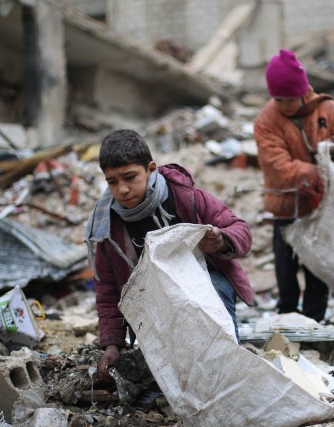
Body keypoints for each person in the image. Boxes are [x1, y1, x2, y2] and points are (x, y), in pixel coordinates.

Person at [85, 129, 255, 380]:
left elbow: (240, 229)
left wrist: (220, 240)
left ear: (151, 169)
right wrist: (112, 345)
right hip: (154, 300)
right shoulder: (108, 226)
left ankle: (229, 372)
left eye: (130, 177)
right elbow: (108, 289)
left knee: (216, 300)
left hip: (207, 286)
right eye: (112, 181)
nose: (122, 189)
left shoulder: (186, 198)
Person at [253, 49, 334, 321]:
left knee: (318, 264)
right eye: (277, 98)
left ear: (302, 91)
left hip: (322, 204)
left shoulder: (329, 110)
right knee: (285, 264)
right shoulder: (267, 120)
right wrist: (317, 172)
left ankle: (315, 318)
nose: (283, 105)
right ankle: (287, 315)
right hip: (286, 203)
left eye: (288, 99)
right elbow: (277, 167)